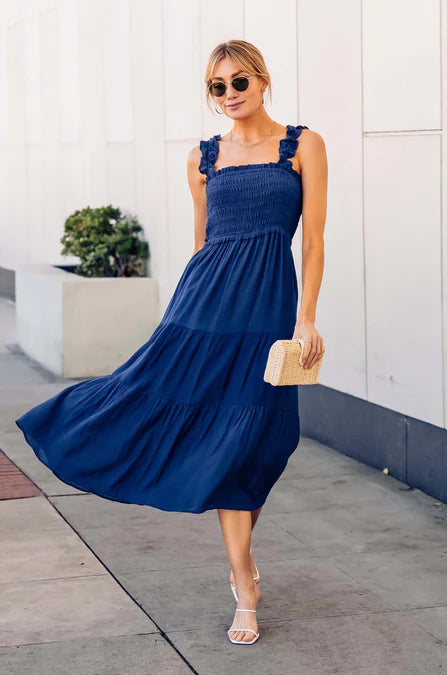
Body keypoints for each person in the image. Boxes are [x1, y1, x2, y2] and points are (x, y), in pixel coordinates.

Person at [15, 39, 327, 645]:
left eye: (240, 82)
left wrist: (306, 319)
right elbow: (201, 244)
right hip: (205, 309)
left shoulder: (303, 145)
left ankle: (243, 563)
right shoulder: (202, 158)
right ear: (210, 95)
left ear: (263, 82)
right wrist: (178, 320)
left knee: (266, 437)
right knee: (213, 433)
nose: (231, 94)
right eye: (218, 86)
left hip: (268, 309)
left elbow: (312, 241)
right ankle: (245, 584)